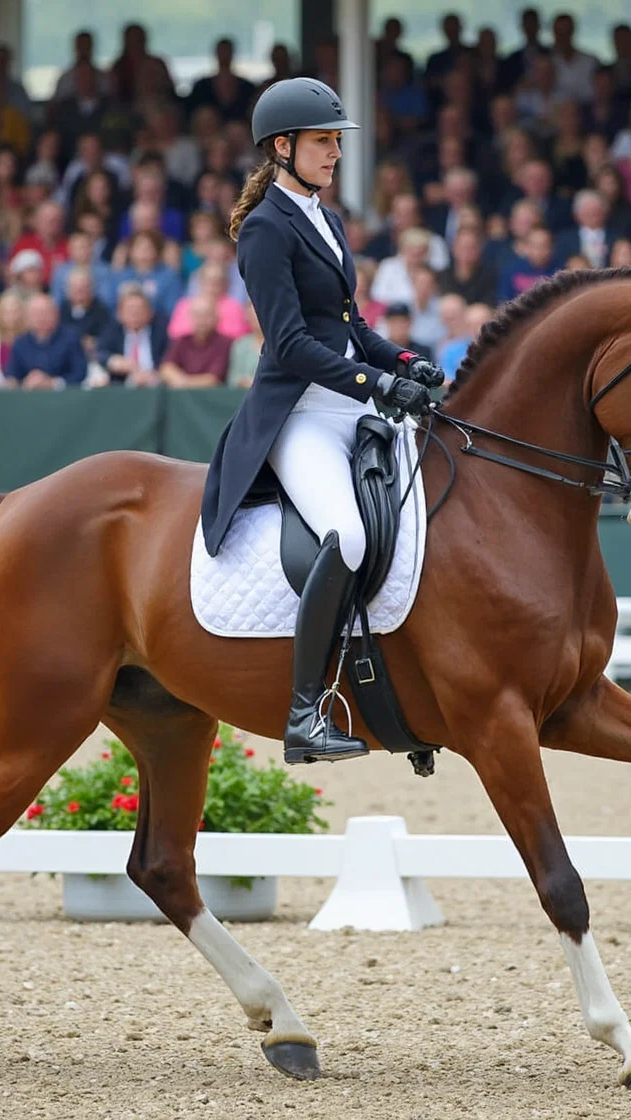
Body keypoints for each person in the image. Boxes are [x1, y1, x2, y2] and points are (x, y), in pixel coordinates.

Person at [199, 78, 444, 766]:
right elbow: (291, 344)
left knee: (430, 517)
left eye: (337, 141)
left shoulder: (327, 220)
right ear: (284, 147)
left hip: (352, 406)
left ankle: (410, 697)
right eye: (323, 141)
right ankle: (305, 713)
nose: (335, 153)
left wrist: (403, 360)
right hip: (300, 415)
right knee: (350, 535)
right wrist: (379, 382)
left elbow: (347, 326)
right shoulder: (265, 229)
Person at [6, 293, 87, 388]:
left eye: (45, 312)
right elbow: (12, 375)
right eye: (35, 313)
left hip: (64, 398)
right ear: (27, 317)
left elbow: (80, 373)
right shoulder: (20, 342)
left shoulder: (71, 338)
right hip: (29, 398)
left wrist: (53, 383)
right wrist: (24, 382)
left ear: (56, 314)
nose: (41, 317)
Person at [159, 297, 231, 387]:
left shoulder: (225, 343)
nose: (202, 320)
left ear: (216, 318)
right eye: (197, 315)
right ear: (190, 317)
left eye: (206, 315)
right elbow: (166, 368)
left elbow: (213, 379)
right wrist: (179, 379)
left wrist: (184, 383)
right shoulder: (182, 341)